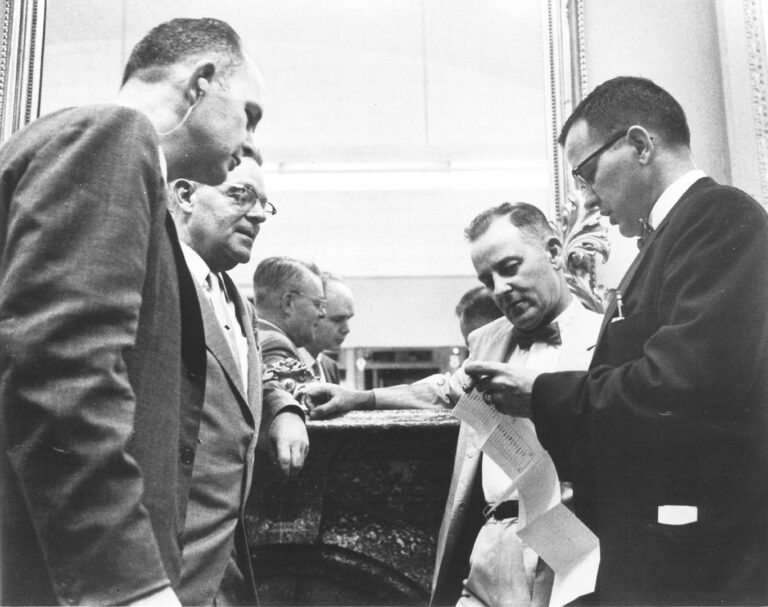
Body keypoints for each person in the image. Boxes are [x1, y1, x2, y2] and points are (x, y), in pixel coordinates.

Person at [468, 77, 768, 605]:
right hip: (661, 551)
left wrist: (541, 394)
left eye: (586, 174)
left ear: (640, 144)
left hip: (697, 561)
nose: (585, 198)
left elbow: (683, 386)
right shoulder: (675, 234)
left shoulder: (720, 216)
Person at [0, 17, 263, 606]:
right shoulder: (113, 135)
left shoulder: (93, 150)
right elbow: (63, 374)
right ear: (201, 83)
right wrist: (128, 587)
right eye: (249, 113)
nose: (250, 143)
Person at [305, 202, 602, 607]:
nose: (499, 289)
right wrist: (364, 398)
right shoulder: (489, 339)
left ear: (553, 252)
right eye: (487, 278)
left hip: (563, 545)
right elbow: (444, 390)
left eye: (510, 267)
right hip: (488, 541)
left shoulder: (607, 338)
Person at [168, 153, 309, 604]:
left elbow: (235, 377)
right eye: (240, 195)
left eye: (263, 204)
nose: (256, 215)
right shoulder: (151, 280)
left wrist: (283, 407)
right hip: (161, 563)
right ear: (186, 195)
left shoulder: (234, 298)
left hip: (223, 562)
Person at [253, 256, 326, 405]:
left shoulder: (252, 336)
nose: (322, 313)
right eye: (317, 303)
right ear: (288, 303)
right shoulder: (276, 344)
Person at [299, 272, 355, 383]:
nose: (346, 329)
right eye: (337, 320)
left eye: (348, 319)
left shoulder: (330, 368)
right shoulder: (283, 363)